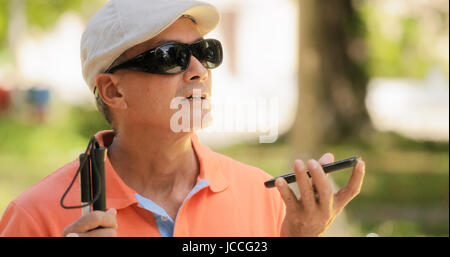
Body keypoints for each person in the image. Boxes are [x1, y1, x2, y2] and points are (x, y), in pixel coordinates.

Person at [0, 0, 365, 237]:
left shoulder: (264, 196)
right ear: (113, 91)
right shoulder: (35, 218)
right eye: (170, 56)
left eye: (205, 52)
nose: (198, 71)